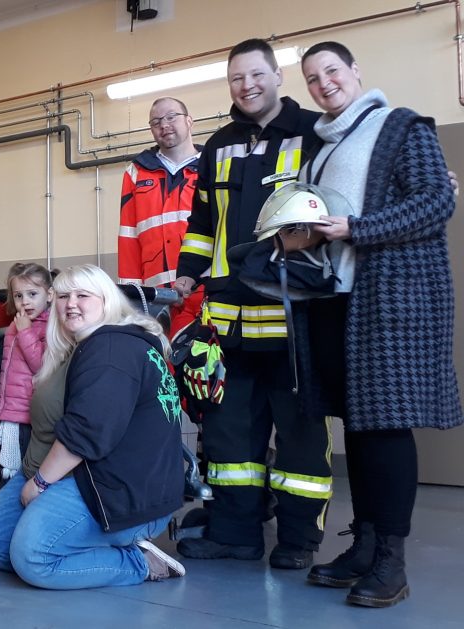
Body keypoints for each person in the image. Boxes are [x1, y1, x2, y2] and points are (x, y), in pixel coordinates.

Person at [295, 42, 462, 608]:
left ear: (355, 71)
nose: (324, 85)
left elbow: (438, 201)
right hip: (337, 299)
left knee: (386, 427)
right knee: (360, 427)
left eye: (332, 72)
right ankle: (364, 545)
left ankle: (392, 558)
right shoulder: (318, 147)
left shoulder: (398, 125)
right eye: (313, 79)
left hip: (391, 297)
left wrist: (355, 228)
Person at [173, 39, 332, 569]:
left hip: (293, 317)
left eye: (256, 74)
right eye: (237, 78)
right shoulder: (217, 145)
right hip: (228, 320)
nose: (247, 86)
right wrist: (187, 274)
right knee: (229, 436)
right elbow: (201, 224)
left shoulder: (315, 132)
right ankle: (235, 534)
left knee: (300, 437)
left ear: (277, 75)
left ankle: (298, 541)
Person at [0, 264, 186, 588]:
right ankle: (88, 542)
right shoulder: (76, 346)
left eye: (83, 295)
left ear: (107, 300)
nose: (71, 303)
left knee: (33, 558)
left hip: (110, 487)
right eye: (63, 296)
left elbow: (85, 433)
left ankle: (139, 562)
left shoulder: (112, 350)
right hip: (64, 470)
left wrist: (41, 484)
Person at [118, 97, 204, 334]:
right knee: (161, 363)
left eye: (170, 117)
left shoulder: (211, 166)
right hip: (156, 296)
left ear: (189, 121)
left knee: (206, 362)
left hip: (202, 288)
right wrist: (131, 297)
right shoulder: (136, 172)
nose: (164, 125)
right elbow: (128, 237)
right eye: (156, 121)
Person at [0, 263, 52, 479]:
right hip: (12, 411)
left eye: (32, 294)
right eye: (18, 295)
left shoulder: (50, 327)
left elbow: (40, 366)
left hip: (30, 415)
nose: (25, 301)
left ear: (49, 295)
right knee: (11, 474)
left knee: (28, 472)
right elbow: (8, 371)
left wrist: (26, 331)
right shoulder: (15, 325)